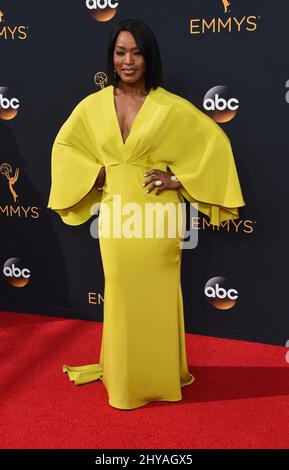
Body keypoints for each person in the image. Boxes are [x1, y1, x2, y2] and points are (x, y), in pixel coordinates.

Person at [47, 19, 245, 410]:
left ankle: (158, 377)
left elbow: (213, 145)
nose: (128, 60)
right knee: (120, 292)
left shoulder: (168, 106)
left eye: (136, 52)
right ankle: (123, 380)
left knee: (157, 296)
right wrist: (97, 172)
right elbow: (65, 146)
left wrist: (179, 180)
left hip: (158, 218)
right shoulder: (94, 105)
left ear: (148, 56)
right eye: (121, 52)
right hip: (118, 218)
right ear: (112, 57)